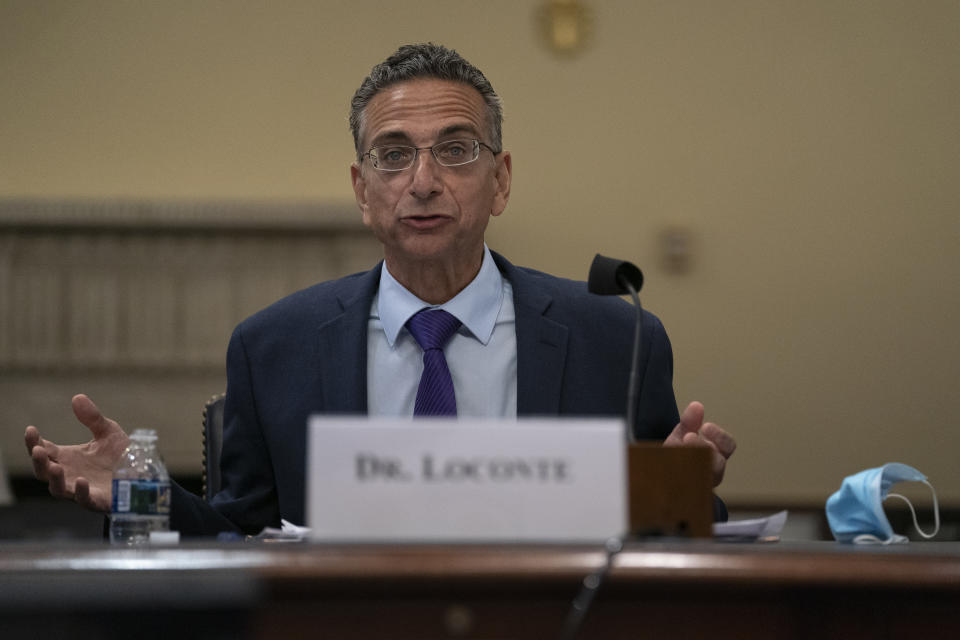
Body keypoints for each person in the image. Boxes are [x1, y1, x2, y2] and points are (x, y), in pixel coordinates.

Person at [25, 43, 736, 536]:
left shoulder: (615, 339)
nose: (423, 181)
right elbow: (235, 538)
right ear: (363, 191)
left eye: (455, 150)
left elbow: (672, 537)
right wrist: (139, 487)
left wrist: (681, 490)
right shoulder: (274, 347)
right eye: (393, 155)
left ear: (503, 179)